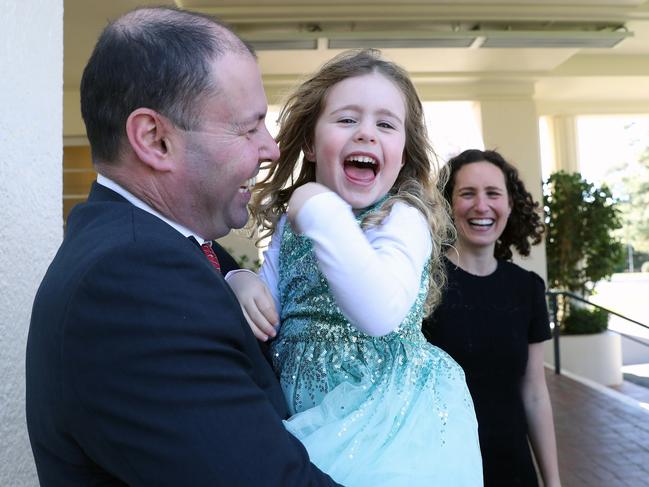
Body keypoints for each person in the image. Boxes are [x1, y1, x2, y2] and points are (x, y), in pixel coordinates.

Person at [25, 7, 340, 486]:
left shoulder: (183, 255)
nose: (271, 148)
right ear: (155, 139)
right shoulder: (131, 280)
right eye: (248, 127)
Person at [227, 49, 483, 486]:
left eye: (385, 124)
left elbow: (379, 311)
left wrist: (320, 208)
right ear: (309, 142)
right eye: (347, 120)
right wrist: (241, 279)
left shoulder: (403, 218)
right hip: (307, 416)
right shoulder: (294, 224)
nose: (366, 133)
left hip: (394, 424)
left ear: (402, 154)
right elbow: (268, 307)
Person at [422, 149, 561, 487]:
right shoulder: (422, 284)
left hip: (513, 466)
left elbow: (534, 392)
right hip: (441, 467)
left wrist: (553, 481)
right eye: (467, 193)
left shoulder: (526, 288)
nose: (481, 206)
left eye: (493, 194)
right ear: (447, 204)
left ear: (509, 206)